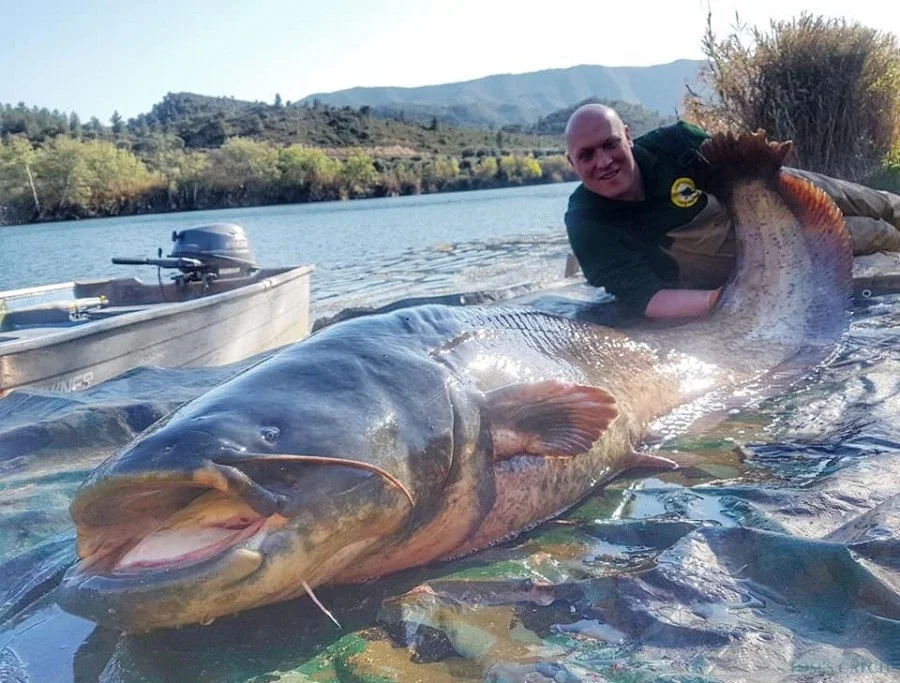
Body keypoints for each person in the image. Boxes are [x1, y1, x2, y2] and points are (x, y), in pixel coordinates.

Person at [564, 103, 900, 321]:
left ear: (628, 137)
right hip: (748, 252)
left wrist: (766, 171)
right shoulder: (586, 223)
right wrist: (727, 300)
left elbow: (736, 162)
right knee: (872, 234)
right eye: (587, 155)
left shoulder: (675, 143)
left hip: (765, 195)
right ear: (572, 163)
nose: (604, 161)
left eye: (610, 144)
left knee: (871, 201)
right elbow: (647, 298)